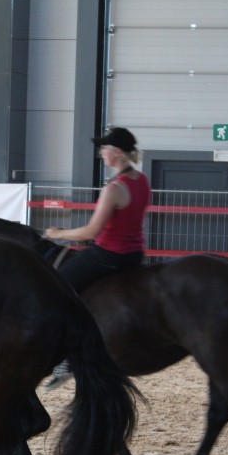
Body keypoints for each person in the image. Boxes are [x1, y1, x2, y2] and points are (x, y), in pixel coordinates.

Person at [42, 126, 151, 389]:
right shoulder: (142, 180)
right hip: (134, 254)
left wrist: (58, 233)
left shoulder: (114, 188)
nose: (101, 153)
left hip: (109, 254)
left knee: (56, 289)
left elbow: (91, 231)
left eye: (105, 148)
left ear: (117, 153)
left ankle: (67, 358)